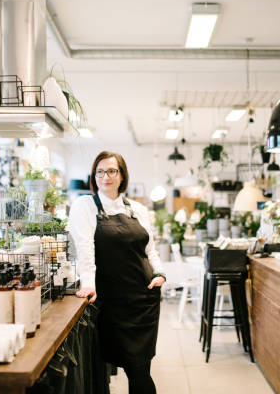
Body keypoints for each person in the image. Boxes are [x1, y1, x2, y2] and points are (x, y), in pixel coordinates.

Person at [69, 151, 166, 394]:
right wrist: (89, 284)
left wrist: (160, 273)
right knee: (133, 368)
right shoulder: (85, 206)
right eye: (100, 171)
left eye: (112, 171)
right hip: (112, 302)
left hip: (144, 300)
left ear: (122, 175)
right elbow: (85, 250)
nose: (106, 176)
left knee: (141, 368)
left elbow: (150, 250)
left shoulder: (138, 209)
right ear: (94, 175)